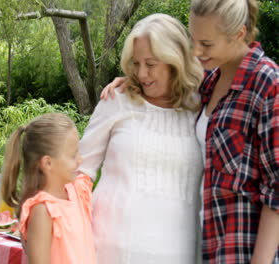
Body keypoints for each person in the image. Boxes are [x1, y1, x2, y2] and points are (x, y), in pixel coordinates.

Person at [102, 1, 279, 263]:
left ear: (239, 34)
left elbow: (276, 189)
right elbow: (171, 82)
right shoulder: (208, 82)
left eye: (206, 44)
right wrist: (136, 78)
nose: (196, 52)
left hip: (243, 251)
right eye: (194, 40)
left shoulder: (268, 84)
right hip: (206, 246)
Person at [79, 14, 205, 263]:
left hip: (180, 253)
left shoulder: (201, 108)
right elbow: (80, 172)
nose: (142, 73)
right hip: (107, 251)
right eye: (136, 63)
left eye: (151, 63)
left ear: (175, 60)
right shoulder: (117, 100)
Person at [0, 113, 96, 264]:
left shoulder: (77, 191)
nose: (80, 160)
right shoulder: (42, 210)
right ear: (47, 163)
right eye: (73, 155)